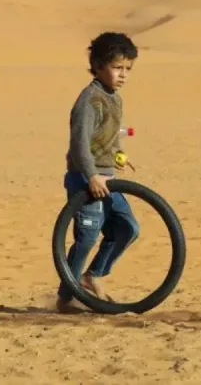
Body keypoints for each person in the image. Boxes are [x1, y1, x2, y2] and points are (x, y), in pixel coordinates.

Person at [56, 31, 140, 313]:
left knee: (128, 228)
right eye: (117, 68)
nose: (124, 75)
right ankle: (67, 296)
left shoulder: (113, 98)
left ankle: (93, 276)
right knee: (88, 237)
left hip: (108, 180)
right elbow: (79, 144)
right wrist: (92, 175)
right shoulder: (89, 100)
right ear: (99, 65)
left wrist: (117, 153)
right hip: (85, 180)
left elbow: (106, 134)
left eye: (128, 69)